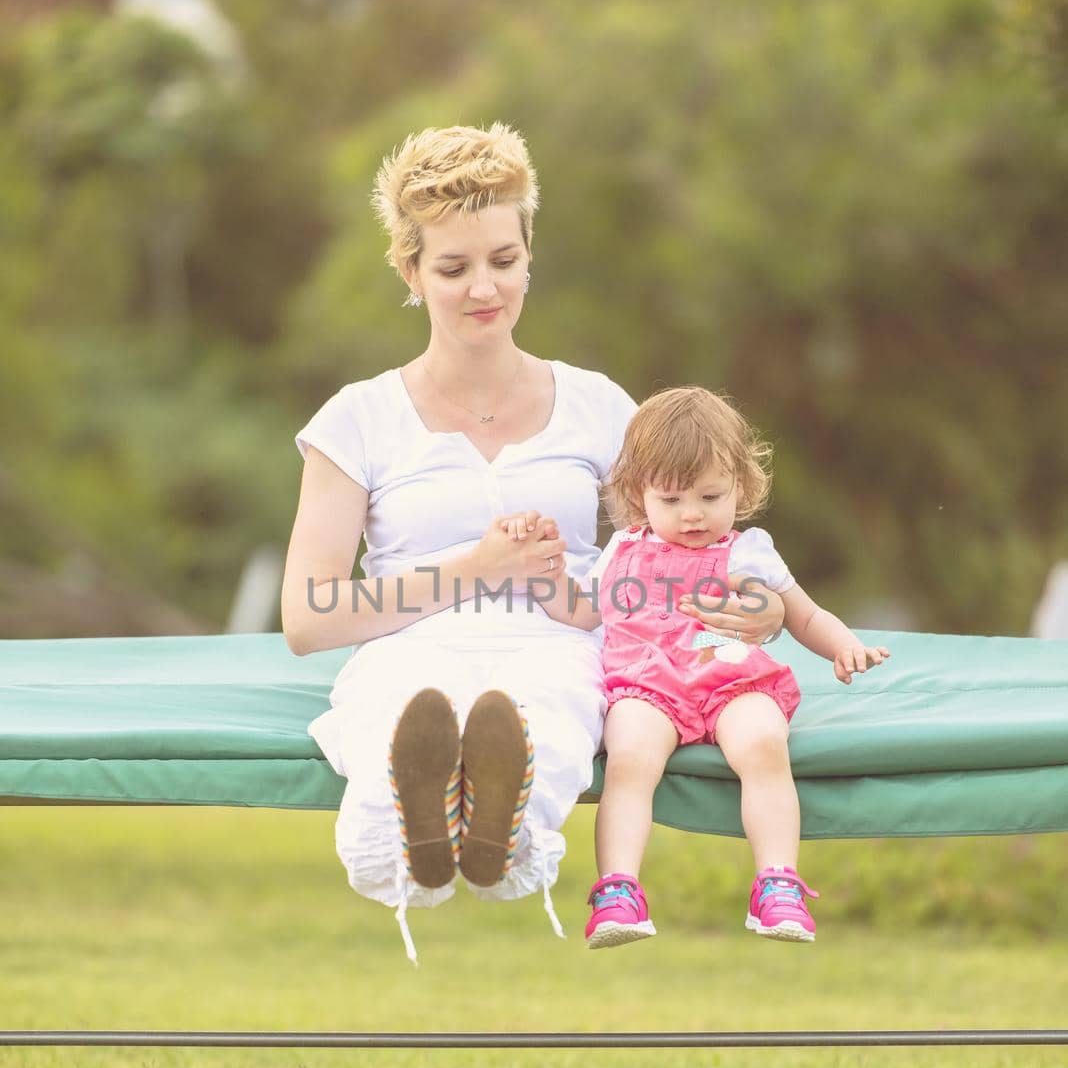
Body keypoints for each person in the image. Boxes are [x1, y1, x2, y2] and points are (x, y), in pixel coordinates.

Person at [282, 124, 786, 963]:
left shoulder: (598, 407)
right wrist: (475, 569)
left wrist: (757, 610)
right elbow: (308, 617)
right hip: (410, 642)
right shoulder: (356, 420)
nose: (485, 287)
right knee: (409, 711)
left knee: (544, 709)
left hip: (565, 635)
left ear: (528, 255)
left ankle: (494, 830)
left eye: (504, 260)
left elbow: (682, 554)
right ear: (409, 271)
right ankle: (425, 828)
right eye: (453, 268)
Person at [521, 385, 891, 948]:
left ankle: (777, 882)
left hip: (731, 682)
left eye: (710, 496)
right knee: (628, 760)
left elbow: (804, 614)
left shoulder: (748, 551)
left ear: (739, 486)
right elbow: (580, 612)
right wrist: (543, 577)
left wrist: (843, 645)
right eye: (671, 501)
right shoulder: (621, 550)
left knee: (763, 743)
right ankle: (618, 888)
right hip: (645, 688)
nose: (692, 514)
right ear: (638, 493)